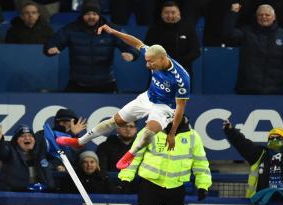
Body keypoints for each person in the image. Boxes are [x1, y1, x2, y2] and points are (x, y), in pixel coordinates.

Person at [56, 23, 191, 171]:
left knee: (148, 132)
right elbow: (137, 42)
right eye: (146, 60)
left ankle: (131, 154)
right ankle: (79, 141)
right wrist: (113, 31)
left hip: (165, 107)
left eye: (150, 62)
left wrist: (171, 134)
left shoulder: (181, 78)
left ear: (163, 58)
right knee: (113, 122)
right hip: (147, 97)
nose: (147, 65)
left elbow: (180, 108)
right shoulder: (154, 55)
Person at [118, 116, 212, 205]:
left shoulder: (193, 137)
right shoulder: (149, 132)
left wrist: (203, 185)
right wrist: (126, 178)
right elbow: (134, 156)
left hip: (176, 189)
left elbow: (200, 163)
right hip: (149, 186)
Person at [43, 0, 139, 93]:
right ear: (82, 15)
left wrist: (132, 54)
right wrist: (50, 48)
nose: (91, 17)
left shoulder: (111, 29)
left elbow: (132, 44)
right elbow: (53, 42)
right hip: (77, 84)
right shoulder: (70, 29)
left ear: (99, 15)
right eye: (87, 14)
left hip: (106, 84)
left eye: (94, 14)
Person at [222, 3, 283, 95]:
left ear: (274, 17)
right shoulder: (246, 33)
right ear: (256, 17)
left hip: (274, 91)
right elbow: (228, 34)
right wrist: (233, 13)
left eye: (267, 15)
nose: (264, 17)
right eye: (260, 15)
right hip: (247, 90)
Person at [223, 122, 283, 200]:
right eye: (271, 138)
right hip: (265, 200)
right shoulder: (260, 154)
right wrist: (230, 130)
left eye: (278, 137)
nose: (274, 140)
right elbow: (242, 144)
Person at [0, 124, 54, 192]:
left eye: (30, 135)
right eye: (22, 136)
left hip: (40, 195)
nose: (27, 138)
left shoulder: (40, 153)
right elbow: (0, 152)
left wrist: (58, 166)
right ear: (16, 140)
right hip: (15, 195)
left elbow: (52, 163)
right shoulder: (10, 150)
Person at [145, 1, 200, 77]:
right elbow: (147, 49)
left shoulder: (188, 28)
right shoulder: (154, 29)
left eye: (173, 12)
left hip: (183, 71)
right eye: (166, 13)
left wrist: (176, 63)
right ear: (162, 14)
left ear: (179, 13)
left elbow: (196, 52)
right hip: (159, 72)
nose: (170, 16)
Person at [35, 108, 87, 172]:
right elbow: (41, 157)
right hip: (49, 176)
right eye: (70, 122)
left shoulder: (79, 141)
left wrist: (72, 136)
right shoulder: (43, 134)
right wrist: (55, 166)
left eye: (75, 123)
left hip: (71, 178)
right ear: (60, 122)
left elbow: (76, 161)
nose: (73, 125)